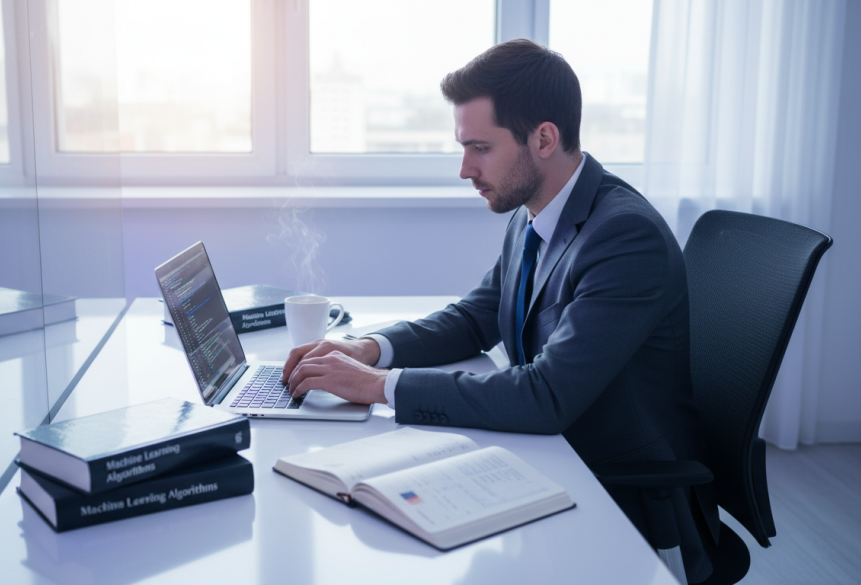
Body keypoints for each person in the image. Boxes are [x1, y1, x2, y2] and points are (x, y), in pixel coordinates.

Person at [281, 39, 718, 582]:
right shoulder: (535, 212)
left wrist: (376, 385)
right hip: (551, 456)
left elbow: (547, 396)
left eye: (481, 148)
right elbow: (474, 318)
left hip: (617, 492)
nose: (465, 169)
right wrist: (367, 348)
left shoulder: (624, 237)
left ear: (543, 138)